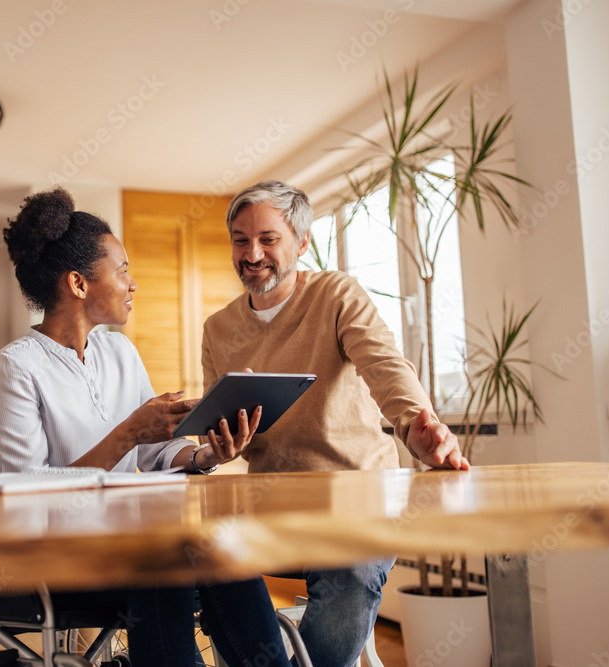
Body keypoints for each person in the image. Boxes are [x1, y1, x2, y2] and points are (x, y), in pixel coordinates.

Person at [0, 186, 290, 667]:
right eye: (122, 271)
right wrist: (127, 433)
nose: (132, 283)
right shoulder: (11, 371)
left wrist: (206, 455)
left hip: (125, 542)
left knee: (222, 547)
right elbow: (25, 496)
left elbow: (156, 453)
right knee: (164, 555)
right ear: (78, 284)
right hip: (44, 560)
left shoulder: (119, 352)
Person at [201, 180, 470, 666]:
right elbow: (214, 427)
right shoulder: (217, 329)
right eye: (241, 239)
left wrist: (415, 427)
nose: (252, 253)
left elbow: (384, 364)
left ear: (301, 243)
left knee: (352, 565)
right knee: (203, 556)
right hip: (272, 510)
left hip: (358, 501)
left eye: (268, 238)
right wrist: (219, 445)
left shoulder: (335, 294)